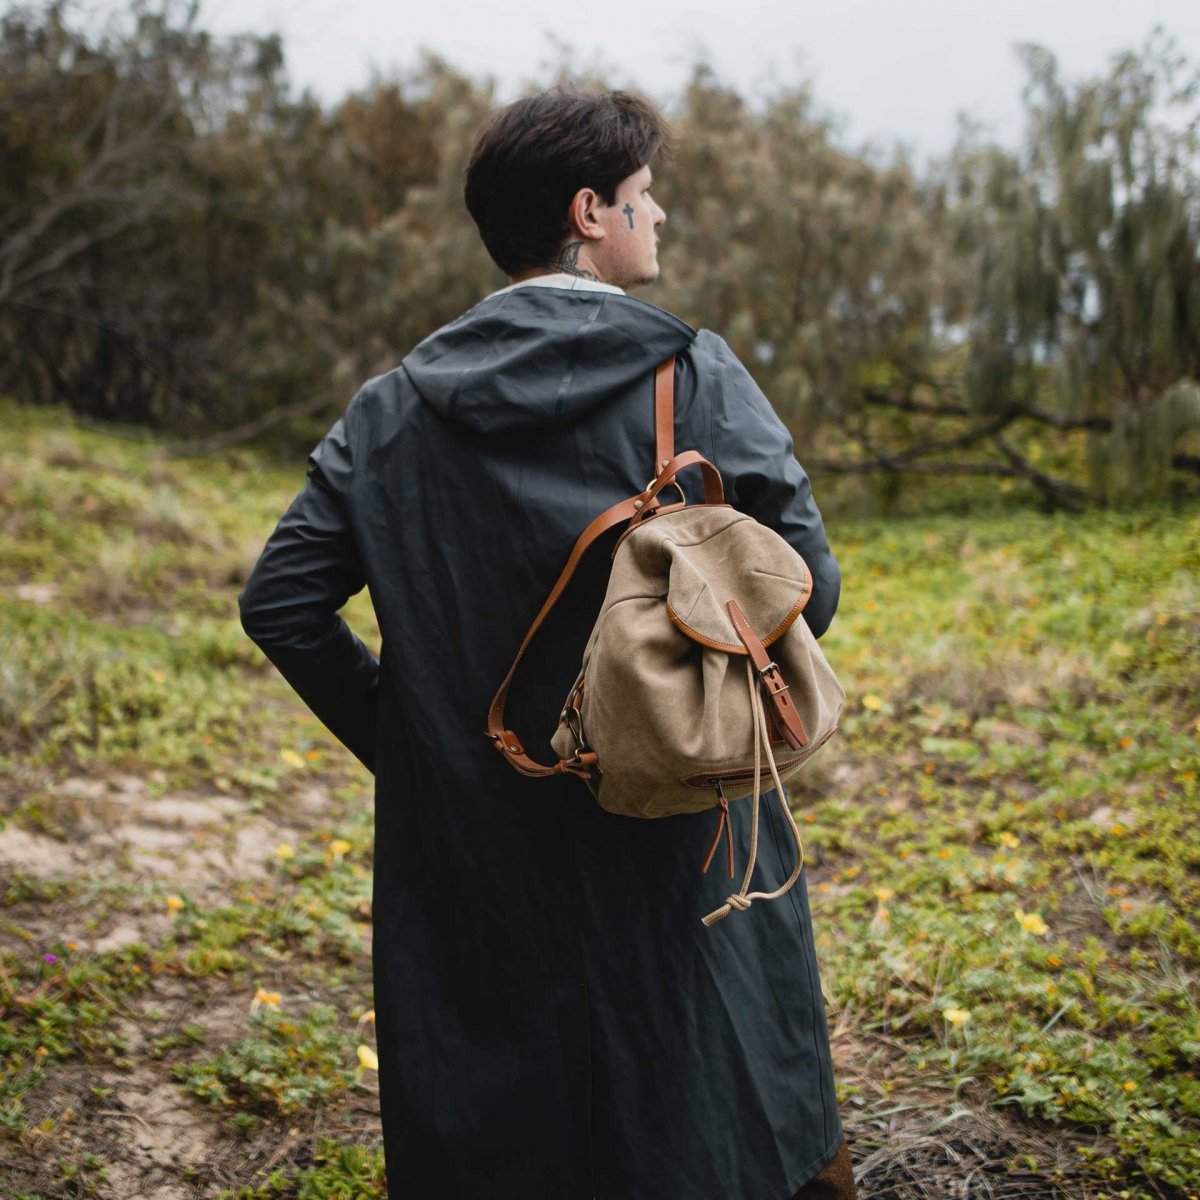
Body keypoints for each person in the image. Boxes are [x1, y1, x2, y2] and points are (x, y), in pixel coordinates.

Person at [239, 86, 856, 1200]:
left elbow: (282, 602)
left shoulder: (391, 410)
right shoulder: (694, 372)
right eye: (643, 196)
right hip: (680, 824)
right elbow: (810, 592)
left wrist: (417, 746)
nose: (658, 214)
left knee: (506, 1119)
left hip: (471, 843)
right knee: (706, 1101)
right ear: (589, 213)